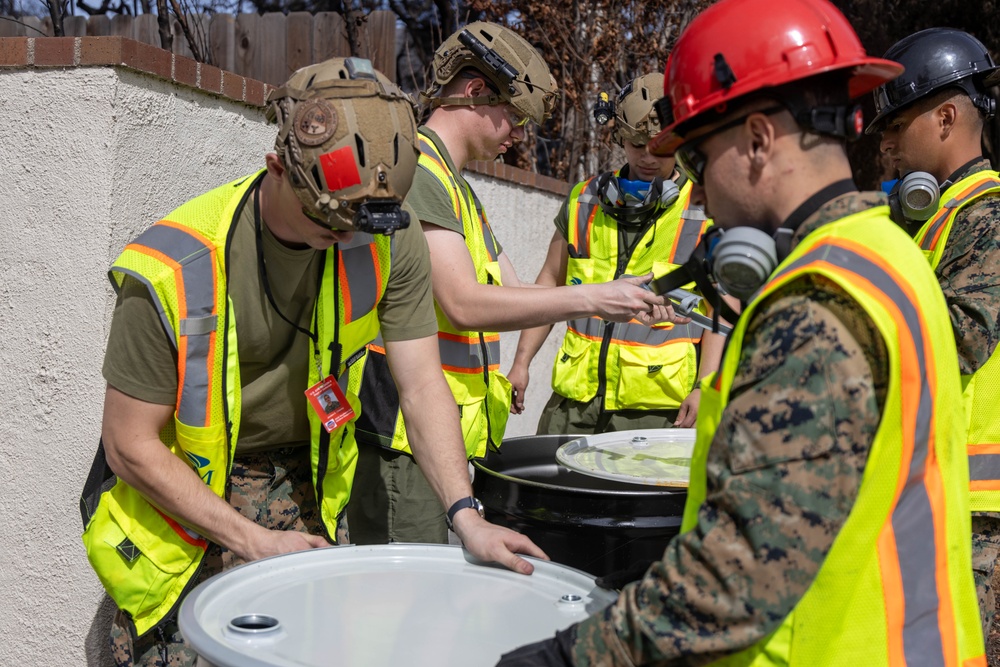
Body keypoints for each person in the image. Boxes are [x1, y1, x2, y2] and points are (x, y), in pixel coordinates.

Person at [497, 0, 986, 664]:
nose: (698, 191)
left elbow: (732, 578)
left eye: (698, 158)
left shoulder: (819, 303)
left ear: (758, 139)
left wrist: (559, 657)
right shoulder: (889, 257)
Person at [78, 57, 546, 667]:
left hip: (308, 478)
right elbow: (128, 445)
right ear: (277, 168)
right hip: (182, 496)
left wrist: (466, 514)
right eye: (329, 221)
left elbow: (422, 384)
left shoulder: (385, 235)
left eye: (362, 224)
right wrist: (251, 541)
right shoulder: (173, 266)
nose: (348, 239)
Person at [346, 22, 676, 547]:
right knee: (401, 607)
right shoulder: (420, 177)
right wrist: (592, 297)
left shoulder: (458, 190)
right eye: (517, 118)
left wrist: (623, 298)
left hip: (433, 438)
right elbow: (462, 304)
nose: (520, 135)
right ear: (476, 92)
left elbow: (522, 291)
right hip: (401, 437)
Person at [865, 27, 1000, 644]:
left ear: (946, 117)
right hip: (939, 503)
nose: (885, 143)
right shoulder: (940, 217)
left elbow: (959, 338)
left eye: (895, 126)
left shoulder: (990, 219)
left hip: (980, 522)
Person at [507, 72, 726, 435]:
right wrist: (521, 363)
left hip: (657, 412)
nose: (648, 157)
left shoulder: (703, 211)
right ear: (620, 137)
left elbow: (719, 307)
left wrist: (707, 386)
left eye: (661, 146)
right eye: (637, 144)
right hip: (574, 406)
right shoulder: (584, 200)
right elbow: (548, 284)